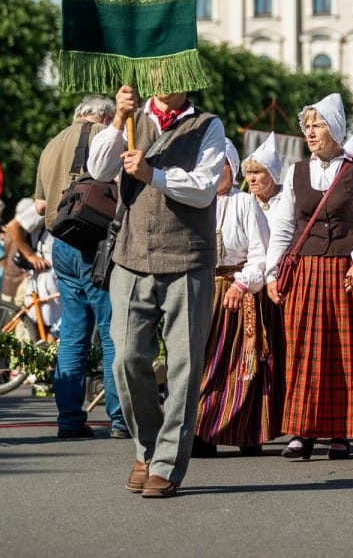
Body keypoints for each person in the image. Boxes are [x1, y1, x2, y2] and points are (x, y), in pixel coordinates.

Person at [88, 84, 226, 499]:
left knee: (183, 368)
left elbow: (203, 189)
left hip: (188, 259)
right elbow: (97, 169)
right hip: (131, 255)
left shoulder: (208, 126)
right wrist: (116, 119)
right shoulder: (131, 118)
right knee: (126, 358)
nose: (166, 81)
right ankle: (147, 447)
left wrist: (153, 174)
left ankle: (166, 465)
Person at [265, 93, 353, 460]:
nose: (311, 133)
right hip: (305, 271)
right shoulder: (296, 172)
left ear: (334, 128)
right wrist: (273, 272)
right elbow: (284, 227)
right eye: (308, 126)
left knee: (344, 353)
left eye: (318, 125)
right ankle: (301, 431)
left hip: (344, 272)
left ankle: (341, 432)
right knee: (303, 351)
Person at [34, 95, 127, 440]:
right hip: (97, 242)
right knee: (111, 329)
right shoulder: (105, 138)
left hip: (61, 240)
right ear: (104, 118)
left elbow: (40, 204)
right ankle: (119, 418)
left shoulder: (51, 144)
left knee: (72, 333)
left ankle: (70, 419)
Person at [192, 140, 273, 457]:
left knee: (240, 366)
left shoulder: (245, 204)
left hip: (236, 292)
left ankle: (246, 431)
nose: (215, 173)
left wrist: (242, 285)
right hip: (202, 291)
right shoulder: (197, 203)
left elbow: (260, 254)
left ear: (231, 167)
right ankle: (203, 431)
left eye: (221, 165)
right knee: (204, 364)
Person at [240, 134, 287, 433]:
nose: (254, 178)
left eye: (259, 172)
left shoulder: (286, 202)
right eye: (250, 173)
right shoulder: (244, 204)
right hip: (253, 284)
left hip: (281, 285)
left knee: (282, 350)